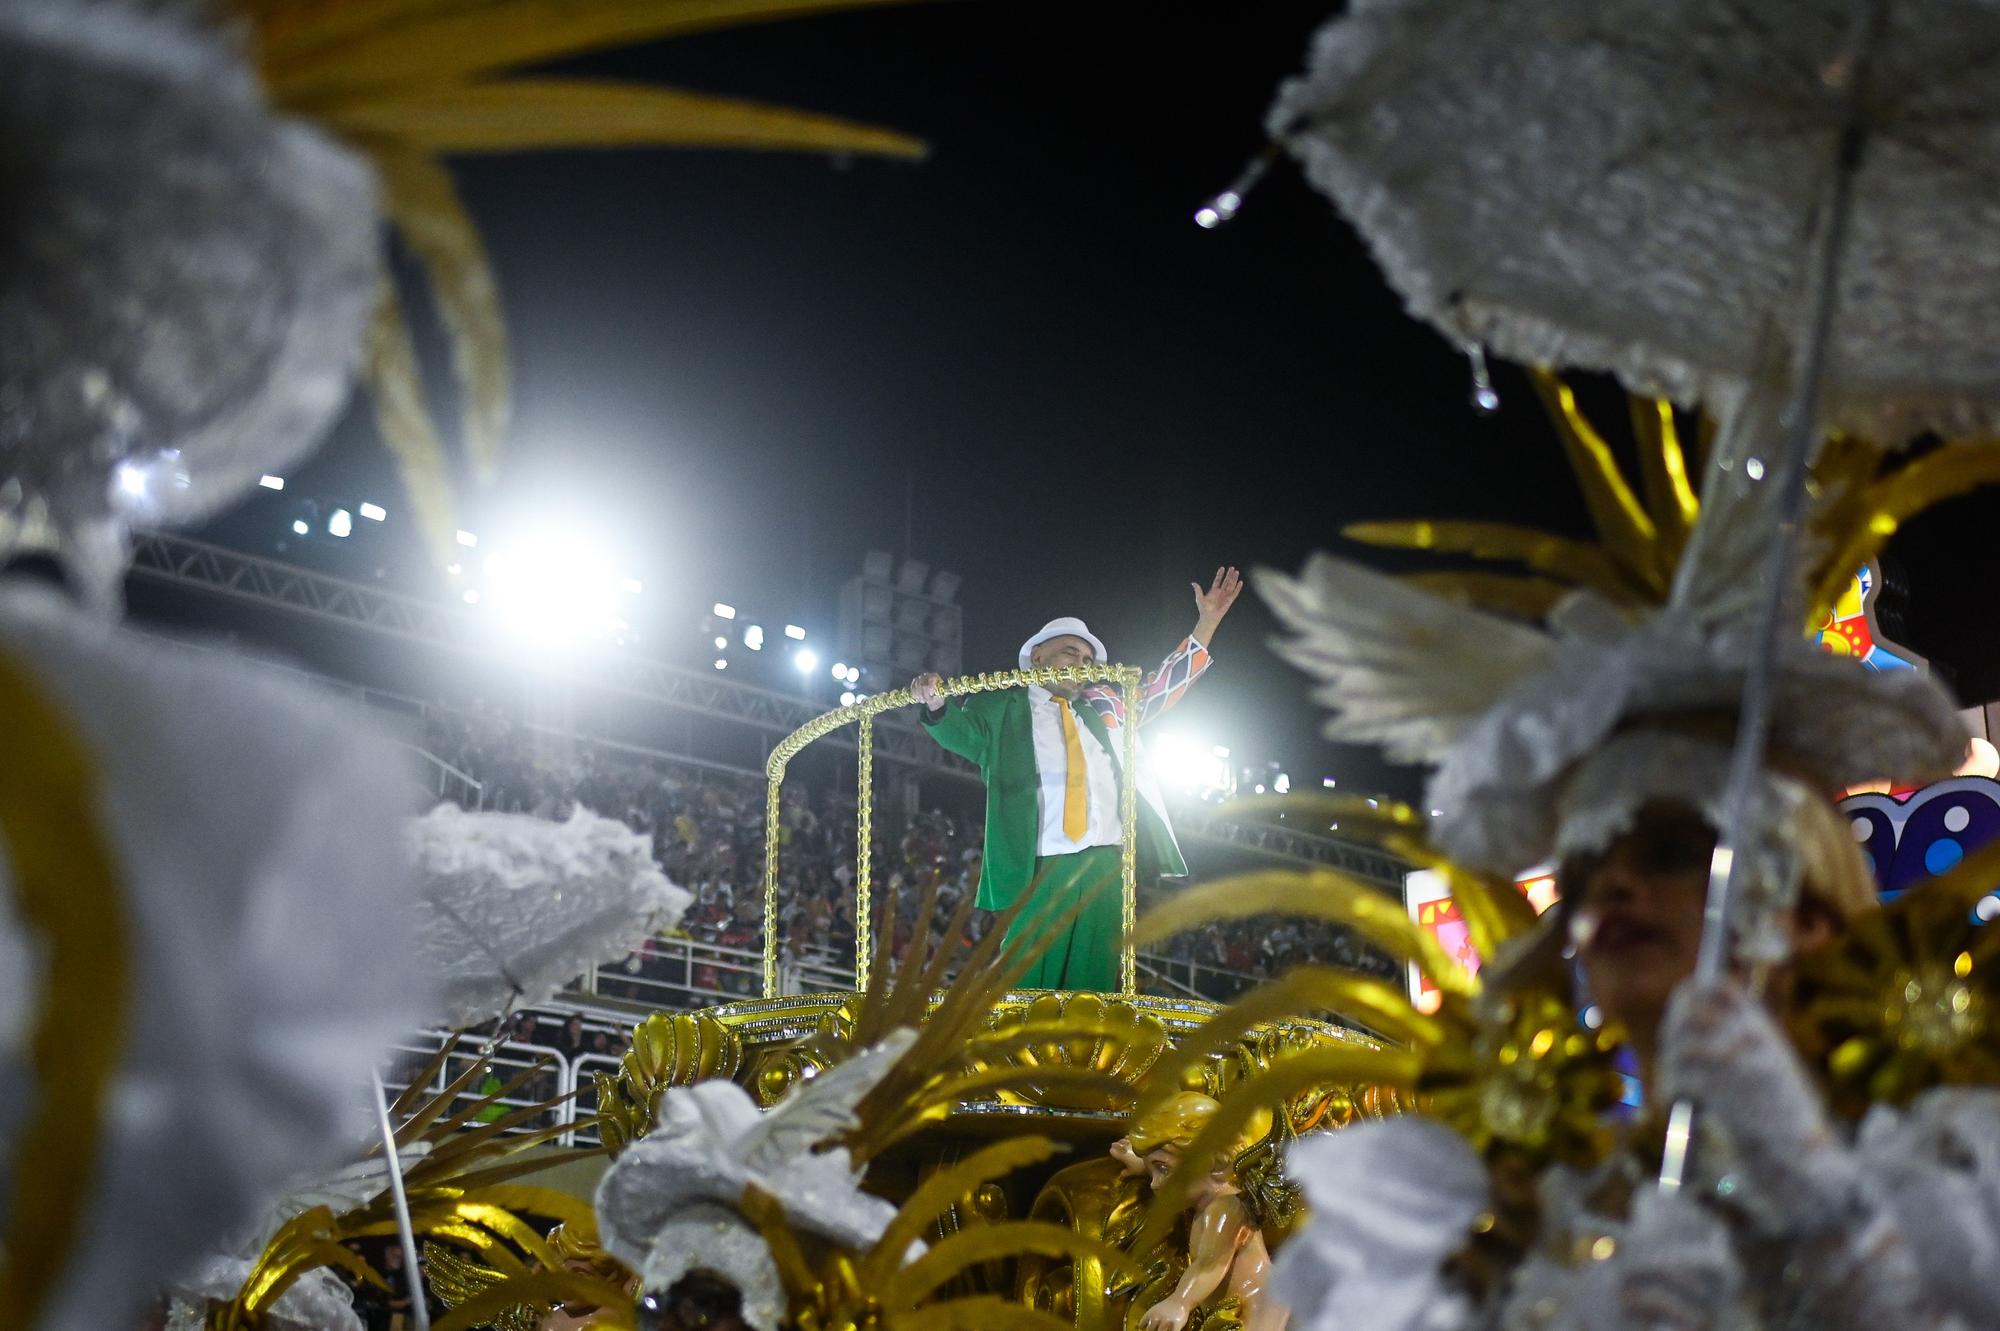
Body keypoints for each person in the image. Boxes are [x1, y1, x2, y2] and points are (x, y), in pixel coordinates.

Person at [911, 567, 1243, 990]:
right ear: (1037, 657)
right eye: (1070, 653)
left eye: (1087, 660)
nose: (1081, 665)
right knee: (1025, 978)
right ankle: (1013, 1055)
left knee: (1095, 983)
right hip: (1041, 863)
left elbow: (1162, 687)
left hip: (1106, 860)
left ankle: (1084, 1055)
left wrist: (1208, 622)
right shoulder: (1003, 707)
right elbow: (958, 732)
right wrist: (936, 702)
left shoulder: (1105, 705)